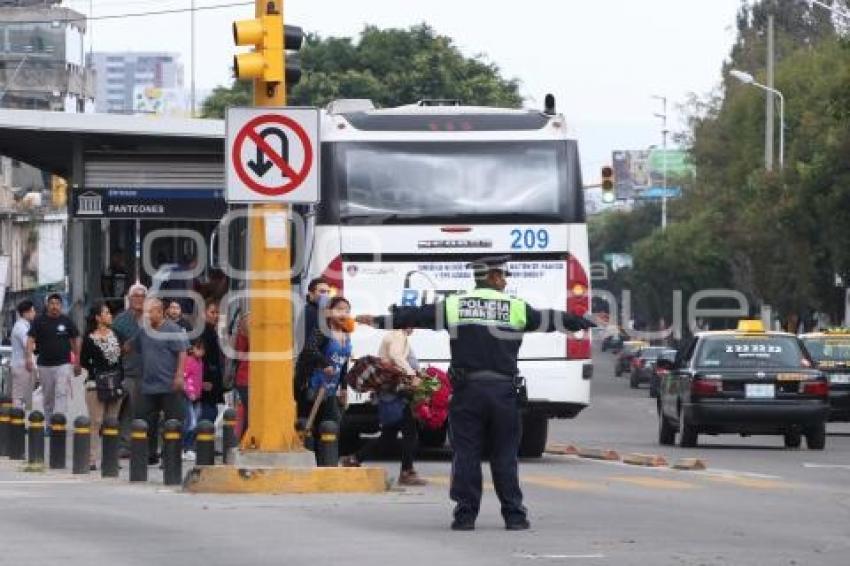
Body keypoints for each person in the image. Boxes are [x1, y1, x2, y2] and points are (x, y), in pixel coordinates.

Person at [357, 256, 594, 532]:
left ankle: (465, 515)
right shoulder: (515, 307)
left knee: (466, 453)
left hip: (468, 392)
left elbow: (418, 316)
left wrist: (378, 320)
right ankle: (514, 516)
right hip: (504, 392)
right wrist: (583, 321)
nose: (505, 281)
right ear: (493, 277)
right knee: (505, 454)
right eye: (503, 276)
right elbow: (552, 319)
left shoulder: (456, 305)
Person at [343, 328, 427, 486]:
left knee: (388, 437)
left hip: (393, 395)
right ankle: (407, 472)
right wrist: (412, 375)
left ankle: (355, 458)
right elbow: (395, 357)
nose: (414, 327)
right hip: (396, 396)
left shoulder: (398, 336)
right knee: (410, 434)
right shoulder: (398, 335)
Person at [131, 297, 188, 465]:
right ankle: (149, 454)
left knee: (172, 421)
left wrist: (179, 375)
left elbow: (182, 352)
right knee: (145, 420)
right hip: (149, 385)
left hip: (169, 384)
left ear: (160, 311)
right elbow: (134, 346)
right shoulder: (144, 331)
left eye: (150, 312)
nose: (147, 315)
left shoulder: (173, 329)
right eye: (145, 312)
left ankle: (169, 456)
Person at [298, 296, 354, 463]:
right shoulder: (323, 330)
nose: (343, 313)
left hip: (331, 388)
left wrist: (344, 387)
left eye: (346, 310)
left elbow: (344, 364)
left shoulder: (346, 334)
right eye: (339, 309)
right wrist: (325, 364)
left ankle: (327, 461)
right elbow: (309, 349)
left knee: (333, 424)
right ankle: (311, 460)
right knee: (311, 424)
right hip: (314, 385)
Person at [80, 301, 124, 471]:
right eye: (106, 313)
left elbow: (121, 357)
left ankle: (111, 457)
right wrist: (97, 371)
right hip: (96, 383)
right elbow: (83, 360)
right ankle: (91, 458)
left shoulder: (116, 334)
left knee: (112, 421)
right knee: (96, 421)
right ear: (98, 317)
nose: (109, 315)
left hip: (115, 382)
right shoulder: (90, 338)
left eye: (109, 313)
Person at [26, 294, 81, 423]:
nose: (54, 306)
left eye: (57, 303)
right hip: (44, 365)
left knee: (61, 393)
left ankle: (59, 422)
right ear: (47, 305)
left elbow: (75, 339)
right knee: (48, 396)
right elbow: (30, 339)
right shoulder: (39, 321)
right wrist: (28, 357)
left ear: (61, 306)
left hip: (63, 364)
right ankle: (49, 423)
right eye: (52, 303)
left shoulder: (66, 321)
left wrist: (78, 360)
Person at [112, 283, 147, 455]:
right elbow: (113, 346)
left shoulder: (151, 319)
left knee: (148, 410)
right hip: (129, 371)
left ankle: (147, 445)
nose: (139, 299)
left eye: (142, 296)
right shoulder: (120, 320)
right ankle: (125, 444)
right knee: (128, 410)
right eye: (136, 296)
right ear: (129, 299)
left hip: (150, 372)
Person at [295, 277, 332, 416]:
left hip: (315, 373)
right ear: (310, 294)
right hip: (309, 374)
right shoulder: (311, 312)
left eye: (328, 292)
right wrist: (325, 363)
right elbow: (307, 346)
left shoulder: (320, 312)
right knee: (309, 416)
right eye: (322, 291)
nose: (326, 295)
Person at [199, 301, 225, 425]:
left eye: (217, 312)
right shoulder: (204, 333)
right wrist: (202, 380)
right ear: (204, 314)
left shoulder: (212, 332)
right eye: (212, 312)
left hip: (213, 383)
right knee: (207, 416)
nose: (215, 316)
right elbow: (199, 358)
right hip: (207, 383)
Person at [10, 300, 36, 410]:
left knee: (27, 397)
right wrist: (35, 343)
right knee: (19, 396)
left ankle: (23, 421)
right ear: (25, 313)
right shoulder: (21, 327)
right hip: (22, 365)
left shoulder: (26, 326)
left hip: (25, 365)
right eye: (33, 311)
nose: (34, 313)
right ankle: (18, 422)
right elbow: (28, 345)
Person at [182, 338, 205, 461]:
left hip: (197, 396)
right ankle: (185, 447)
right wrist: (188, 392)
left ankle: (189, 448)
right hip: (189, 396)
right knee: (190, 423)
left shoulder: (200, 362)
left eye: (202, 349)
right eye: (198, 348)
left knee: (194, 423)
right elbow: (184, 378)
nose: (201, 352)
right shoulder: (189, 361)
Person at [233, 313, 251, 439]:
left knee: (248, 413)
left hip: (246, 379)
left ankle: (243, 438)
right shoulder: (243, 336)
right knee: (248, 413)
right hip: (246, 379)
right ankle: (244, 439)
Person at [101, 249, 129, 314]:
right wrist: (112, 304)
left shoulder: (124, 271)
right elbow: (106, 289)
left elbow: (126, 287)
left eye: (121, 258)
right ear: (113, 258)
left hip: (122, 303)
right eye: (117, 257)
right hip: (111, 305)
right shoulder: (108, 272)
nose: (120, 260)